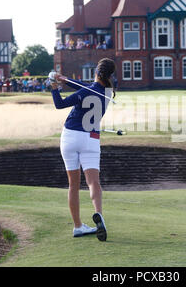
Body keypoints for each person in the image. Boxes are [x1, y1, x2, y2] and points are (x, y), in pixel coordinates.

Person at [50, 58, 116, 241]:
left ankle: (78, 226)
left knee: (73, 185)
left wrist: (54, 86)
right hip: (91, 139)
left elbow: (60, 104)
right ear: (110, 75)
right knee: (93, 182)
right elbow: (87, 87)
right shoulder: (109, 92)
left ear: (96, 71)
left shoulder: (85, 92)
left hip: (70, 136)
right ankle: (98, 214)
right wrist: (64, 79)